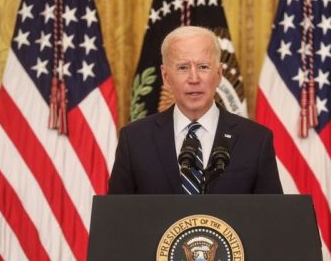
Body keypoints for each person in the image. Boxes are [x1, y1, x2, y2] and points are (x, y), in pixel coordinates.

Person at [108, 26, 282, 194]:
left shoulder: (256, 140)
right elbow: (116, 218)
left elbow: (272, 218)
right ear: (166, 76)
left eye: (203, 67)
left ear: (219, 74)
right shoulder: (135, 140)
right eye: (183, 67)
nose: (194, 78)